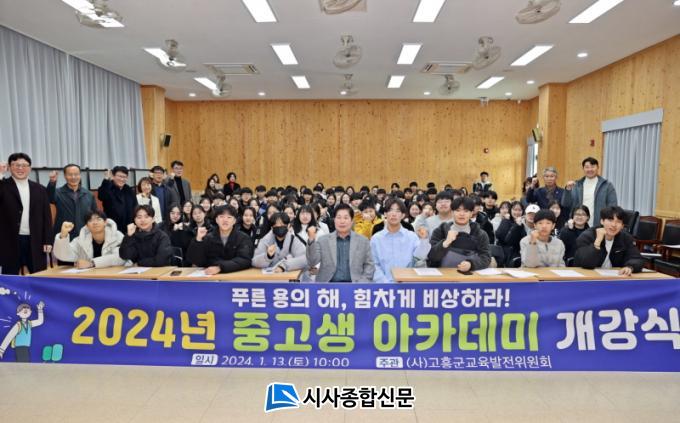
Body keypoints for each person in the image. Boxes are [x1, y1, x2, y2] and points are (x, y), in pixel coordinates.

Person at [0, 153, 53, 274]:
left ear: (30, 168)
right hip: (9, 240)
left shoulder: (40, 189)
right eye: (16, 165)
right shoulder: (3, 186)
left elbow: (46, 217)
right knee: (10, 276)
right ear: (9, 167)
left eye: (24, 165)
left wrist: (48, 240)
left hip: (35, 239)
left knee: (38, 275)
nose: (20, 168)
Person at [306, 203, 374, 282]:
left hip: (355, 285)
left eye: (346, 218)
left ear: (352, 221)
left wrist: (362, 283)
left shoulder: (363, 241)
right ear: (334, 220)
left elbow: (369, 265)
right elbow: (312, 262)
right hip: (328, 285)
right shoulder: (323, 240)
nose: (342, 221)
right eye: (338, 218)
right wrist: (311, 240)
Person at [371, 198, 430, 283]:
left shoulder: (411, 236)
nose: (394, 214)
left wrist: (424, 240)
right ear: (385, 214)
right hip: (383, 285)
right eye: (390, 210)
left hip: (408, 285)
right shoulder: (376, 239)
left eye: (398, 211)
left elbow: (420, 257)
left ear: (403, 215)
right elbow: (374, 265)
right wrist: (385, 284)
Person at [574, 206, 644, 275]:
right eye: (610, 220)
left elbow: (637, 259)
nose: (614, 225)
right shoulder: (587, 236)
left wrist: (630, 267)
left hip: (614, 277)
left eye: (618, 222)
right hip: (587, 276)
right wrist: (597, 242)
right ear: (602, 221)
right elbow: (586, 263)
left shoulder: (625, 238)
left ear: (622, 226)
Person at [427, 196, 491, 271]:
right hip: (443, 274)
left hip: (471, 275)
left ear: (471, 213)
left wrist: (471, 264)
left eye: (466, 211)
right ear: (452, 212)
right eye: (458, 210)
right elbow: (431, 256)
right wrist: (445, 243)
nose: (461, 214)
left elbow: (486, 257)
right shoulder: (441, 231)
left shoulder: (480, 234)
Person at [186, 205, 254, 274]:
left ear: (234, 221)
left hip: (236, 275)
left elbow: (245, 260)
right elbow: (197, 261)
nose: (225, 220)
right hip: (212, 277)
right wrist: (198, 240)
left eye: (229, 217)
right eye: (221, 217)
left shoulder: (243, 238)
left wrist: (220, 267)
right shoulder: (208, 238)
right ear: (216, 220)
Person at [53, 210, 126, 269]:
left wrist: (92, 263)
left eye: (98, 219)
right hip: (89, 277)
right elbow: (64, 256)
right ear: (87, 226)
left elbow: (121, 257)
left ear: (105, 222)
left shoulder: (117, 236)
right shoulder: (80, 240)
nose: (95, 223)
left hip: (113, 276)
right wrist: (63, 235)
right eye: (90, 220)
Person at [45, 164, 98, 240]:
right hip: (64, 234)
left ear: (80, 175)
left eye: (76, 174)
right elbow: (49, 197)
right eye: (70, 174)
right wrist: (52, 182)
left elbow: (94, 214)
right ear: (65, 176)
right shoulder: (58, 193)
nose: (73, 177)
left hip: (84, 235)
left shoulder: (88, 194)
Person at [562, 157, 617, 227]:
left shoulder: (607, 185)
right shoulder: (577, 185)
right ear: (583, 169)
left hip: (598, 225)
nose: (590, 169)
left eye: (592, 167)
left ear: (598, 168)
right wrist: (568, 190)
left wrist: (607, 223)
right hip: (578, 225)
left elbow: (612, 207)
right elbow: (565, 204)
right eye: (587, 167)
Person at [98, 166, 137, 234]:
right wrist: (106, 179)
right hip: (112, 227)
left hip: (128, 227)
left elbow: (135, 206)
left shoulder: (129, 190)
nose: (122, 179)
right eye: (119, 176)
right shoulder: (108, 187)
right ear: (113, 176)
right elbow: (101, 196)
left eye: (124, 177)